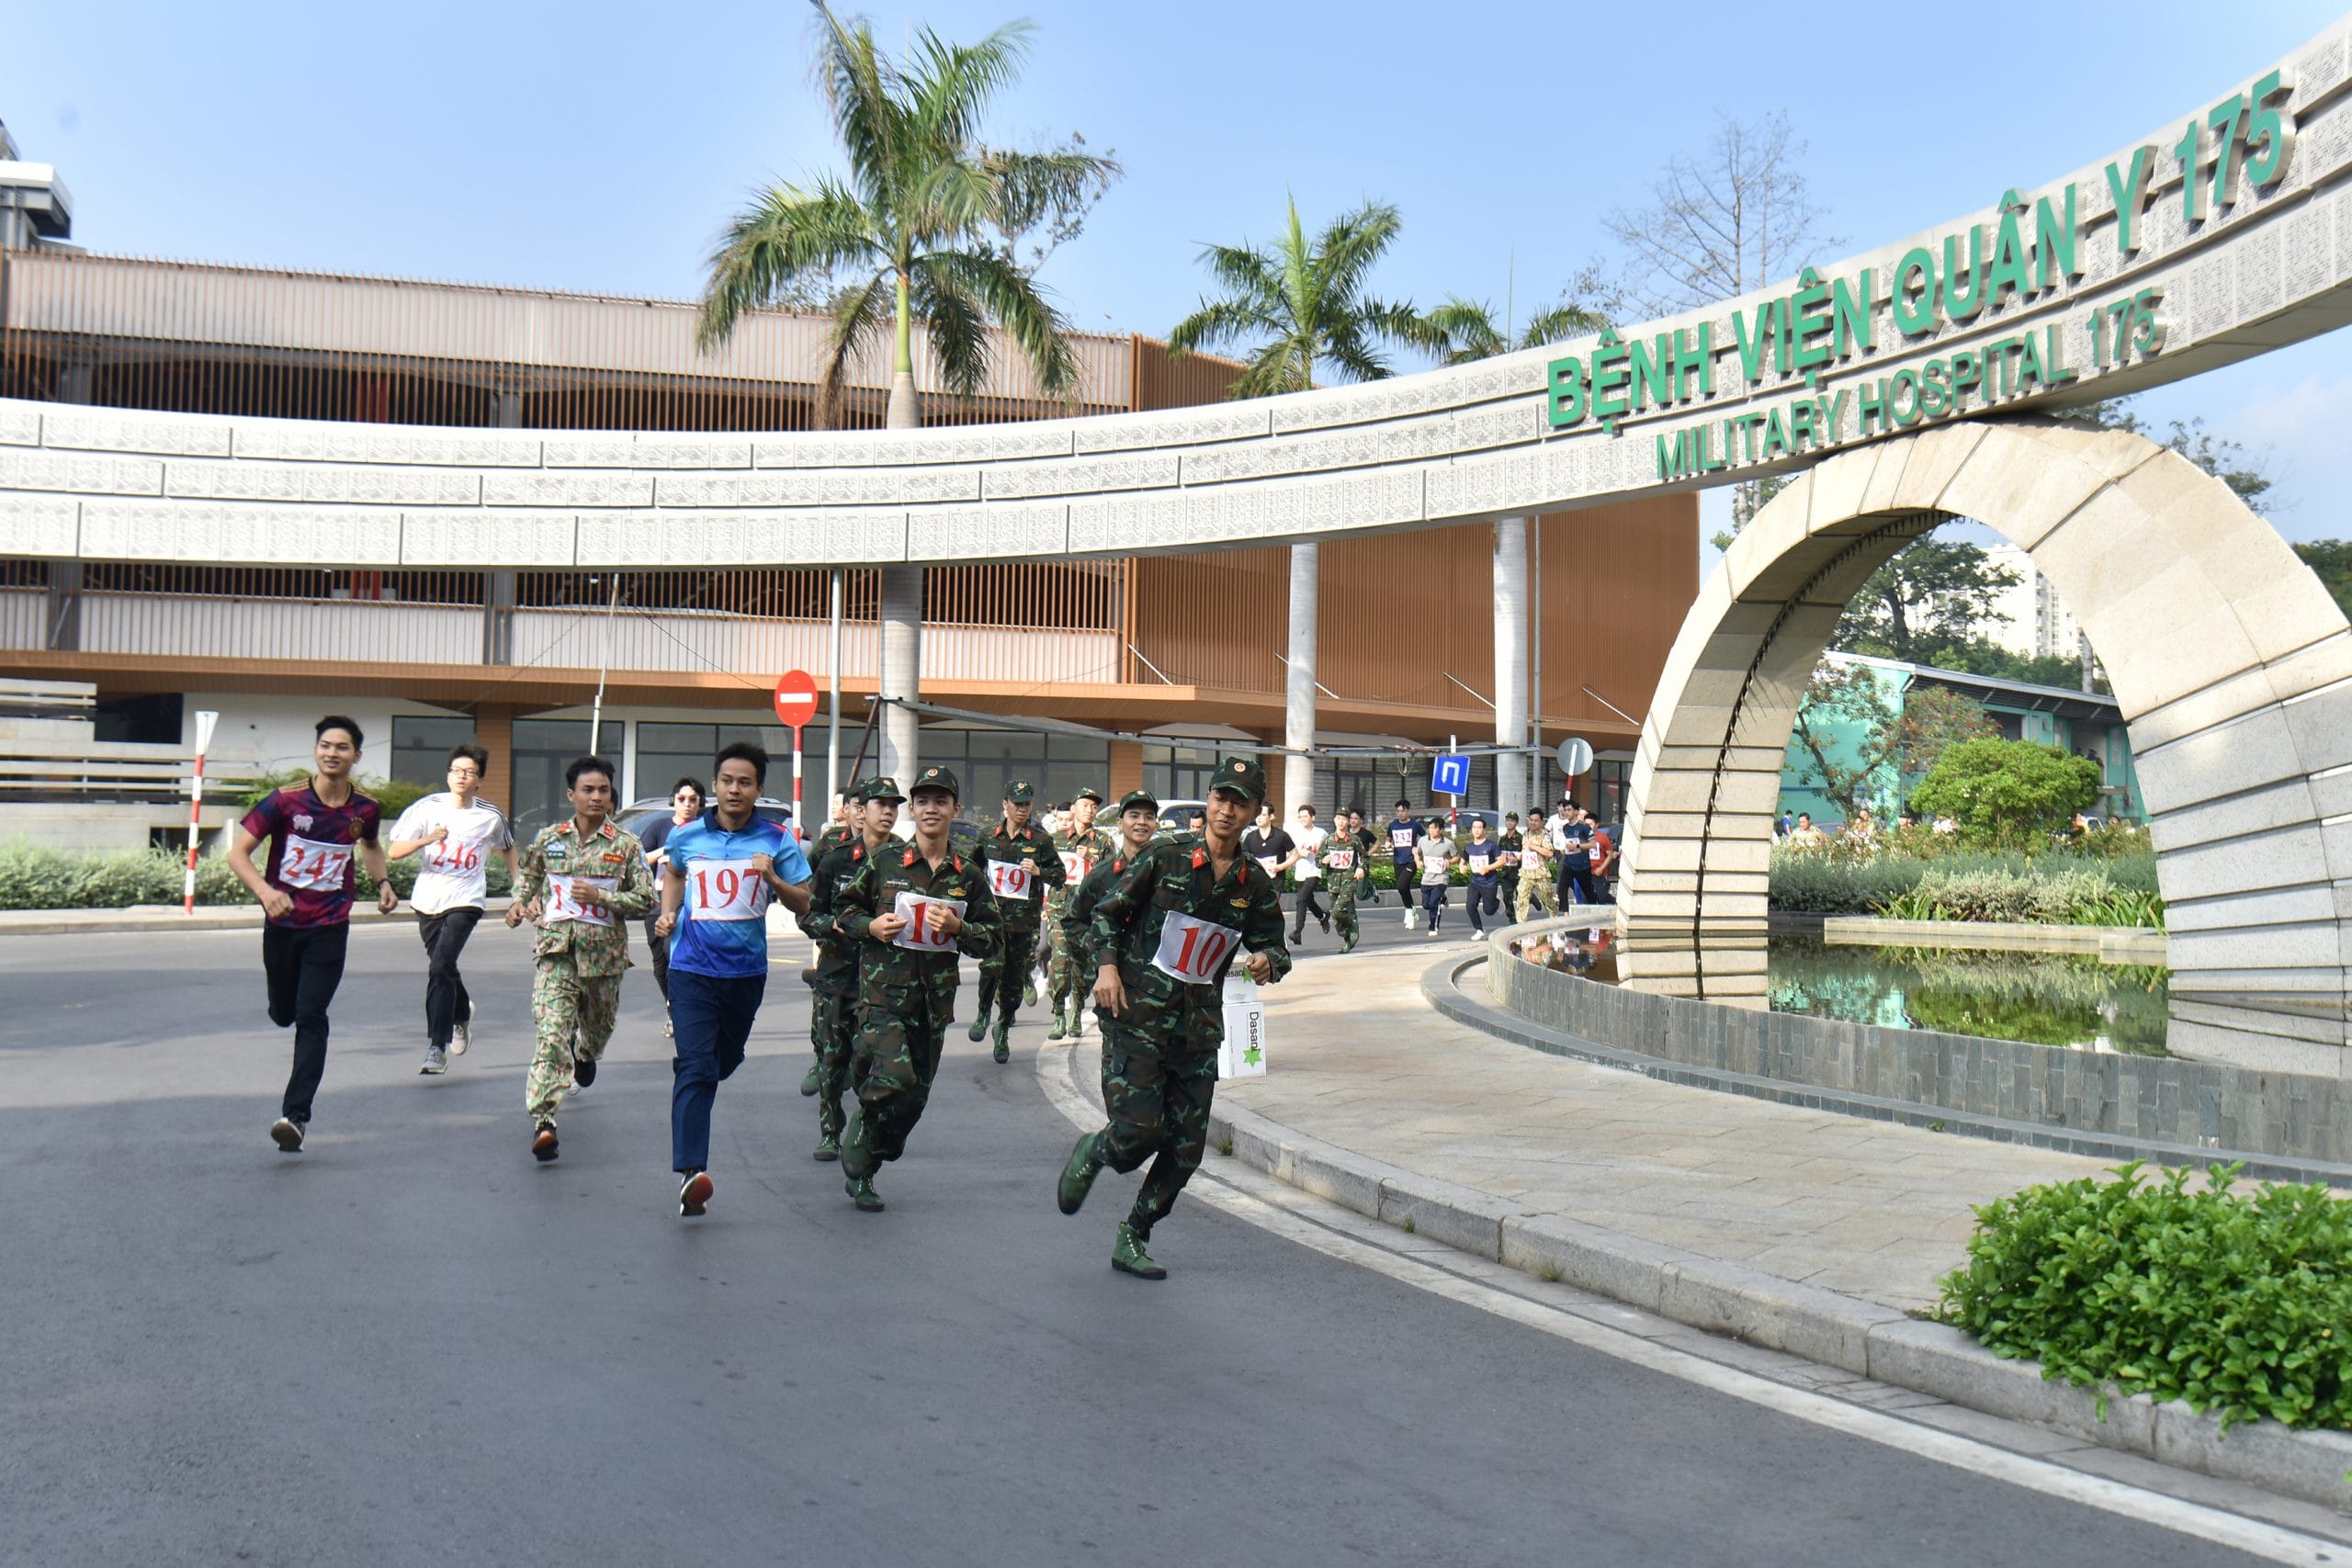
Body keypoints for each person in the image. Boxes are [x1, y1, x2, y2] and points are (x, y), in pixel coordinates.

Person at [1057, 756, 1291, 1279]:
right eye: (1219, 798)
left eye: (1239, 802)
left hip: (1198, 1028)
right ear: (1208, 802)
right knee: (1137, 1134)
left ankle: (1135, 1232)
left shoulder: (1252, 881)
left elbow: (1276, 947)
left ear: (1254, 812)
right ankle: (1097, 1150)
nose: (1226, 810)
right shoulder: (1166, 856)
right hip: (1136, 1013)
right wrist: (1108, 968)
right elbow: (1105, 913)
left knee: (1186, 1149)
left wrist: (1265, 961)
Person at [831, 764, 1001, 1211]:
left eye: (940, 801)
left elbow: (993, 938)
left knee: (911, 1105)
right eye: (922, 801)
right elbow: (843, 912)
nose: (931, 809)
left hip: (933, 1006)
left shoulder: (968, 876)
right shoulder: (885, 862)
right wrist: (872, 925)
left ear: (954, 810)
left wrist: (961, 928)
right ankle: (865, 1119)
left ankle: (870, 1165)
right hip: (884, 998)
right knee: (894, 1077)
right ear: (914, 809)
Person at [655, 741, 813, 1219]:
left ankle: (701, 1075)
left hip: (745, 973)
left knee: (723, 1060)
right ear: (716, 786)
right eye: (727, 781)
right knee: (696, 1067)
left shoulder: (776, 839)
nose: (734, 789)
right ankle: (691, 1173)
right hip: (691, 970)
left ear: (758, 789)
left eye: (745, 782)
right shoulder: (687, 836)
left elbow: (804, 901)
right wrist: (667, 914)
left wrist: (774, 881)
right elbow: (675, 875)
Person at [228, 715, 396, 1152]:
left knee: (311, 1015)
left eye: (342, 747)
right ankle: (281, 1010)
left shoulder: (365, 809)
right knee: (283, 1012)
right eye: (325, 745)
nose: (332, 753)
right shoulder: (286, 802)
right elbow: (238, 852)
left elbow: (372, 846)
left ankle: (295, 1116)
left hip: (329, 926)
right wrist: (266, 892)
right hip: (282, 925)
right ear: (316, 750)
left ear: (356, 756)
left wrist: (383, 883)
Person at [506, 755, 652, 1163]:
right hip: (557, 952)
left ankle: (586, 1055)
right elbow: (530, 878)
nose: (596, 796)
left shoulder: (625, 845)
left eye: (603, 790)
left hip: (604, 959)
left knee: (598, 1027)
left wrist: (603, 896)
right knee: (551, 1033)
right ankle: (544, 1121)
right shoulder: (549, 839)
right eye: (588, 790)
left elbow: (647, 899)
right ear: (571, 795)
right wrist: (519, 905)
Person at [385, 743, 517, 1075]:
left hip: (466, 900)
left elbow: (509, 850)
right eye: (457, 770)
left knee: (442, 964)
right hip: (428, 900)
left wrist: (520, 891)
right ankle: (461, 1014)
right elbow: (395, 851)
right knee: (441, 966)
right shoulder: (426, 808)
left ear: (479, 780)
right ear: (448, 775)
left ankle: (436, 1047)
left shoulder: (490, 815)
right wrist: (425, 840)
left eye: (469, 772)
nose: (462, 776)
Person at [796, 775, 901, 1162]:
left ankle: (865, 1130)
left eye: (894, 805)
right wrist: (834, 925)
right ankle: (829, 1130)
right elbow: (808, 915)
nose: (887, 812)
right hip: (837, 975)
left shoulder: (905, 860)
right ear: (862, 809)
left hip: (885, 982)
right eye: (880, 804)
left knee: (869, 1062)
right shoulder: (836, 858)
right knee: (831, 1056)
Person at [969, 779, 1065, 1064]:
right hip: (993, 919)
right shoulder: (987, 837)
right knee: (991, 966)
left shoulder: (1040, 841)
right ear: (1005, 805)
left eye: (1026, 804)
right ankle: (983, 1012)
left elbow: (1059, 875)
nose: (1022, 809)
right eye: (1017, 804)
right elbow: (971, 872)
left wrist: (1039, 871)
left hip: (1023, 923)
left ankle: (1003, 1026)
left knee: (1012, 980)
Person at [636, 777, 704, 1032]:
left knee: (672, 952)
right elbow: (638, 859)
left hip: (689, 904)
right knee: (659, 964)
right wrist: (666, 850)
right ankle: (671, 1004)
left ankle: (683, 1008)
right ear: (673, 801)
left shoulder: (703, 831)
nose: (687, 804)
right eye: (682, 799)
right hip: (656, 902)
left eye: (693, 800)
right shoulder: (659, 828)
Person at [1046, 786, 1114, 1042]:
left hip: (1088, 914)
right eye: (1085, 804)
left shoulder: (1104, 841)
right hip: (1059, 909)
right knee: (1060, 962)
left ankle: (1077, 1009)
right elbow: (1046, 875)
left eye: (1094, 806)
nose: (1090, 810)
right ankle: (1058, 1014)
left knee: (1082, 968)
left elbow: (1113, 875)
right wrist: (1044, 906)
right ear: (1073, 808)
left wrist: (1093, 861)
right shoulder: (1056, 840)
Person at [1241, 803, 1298, 937]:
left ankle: (1276, 939)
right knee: (1256, 913)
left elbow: (1295, 854)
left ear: (1271, 816)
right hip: (1256, 882)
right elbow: (1244, 858)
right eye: (1257, 815)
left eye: (1263, 815)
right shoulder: (1250, 837)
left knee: (1270, 911)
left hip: (1275, 882)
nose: (1259, 818)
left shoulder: (1281, 836)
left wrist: (1280, 867)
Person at [1320, 813, 1366, 952]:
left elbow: (1365, 856)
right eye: (1338, 819)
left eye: (1344, 819)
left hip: (1349, 880)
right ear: (1334, 820)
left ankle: (1352, 928)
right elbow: (1318, 858)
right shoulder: (1328, 840)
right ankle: (1347, 936)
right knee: (1338, 916)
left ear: (1348, 822)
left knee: (1337, 911)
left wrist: (1360, 868)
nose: (1341, 822)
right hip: (1332, 882)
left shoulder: (1354, 840)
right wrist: (1323, 860)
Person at [1288, 803, 1330, 942]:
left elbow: (1329, 850)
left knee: (1301, 899)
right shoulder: (1295, 833)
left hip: (1314, 870)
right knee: (1309, 901)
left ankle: (1298, 931)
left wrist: (1323, 856)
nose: (1302, 819)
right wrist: (1299, 853)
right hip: (1300, 871)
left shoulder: (1321, 833)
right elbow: (1289, 853)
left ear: (1313, 817)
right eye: (1300, 817)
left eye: (1305, 816)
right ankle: (1323, 916)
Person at [1514, 817, 1560, 922]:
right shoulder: (1525, 834)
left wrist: (1533, 846)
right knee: (1522, 899)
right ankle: (1521, 927)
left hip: (1540, 874)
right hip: (1526, 873)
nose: (1532, 823)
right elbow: (1526, 851)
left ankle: (1555, 921)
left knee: (1547, 900)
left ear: (1541, 822)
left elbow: (1550, 853)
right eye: (1531, 820)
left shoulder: (1544, 836)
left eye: (1536, 821)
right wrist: (1519, 856)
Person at [1461, 817, 1501, 936]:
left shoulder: (1491, 845)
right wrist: (1462, 868)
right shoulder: (1469, 847)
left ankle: (1497, 902)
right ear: (1471, 830)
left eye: (1479, 827)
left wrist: (1488, 868)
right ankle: (1479, 929)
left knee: (1488, 911)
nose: (1476, 830)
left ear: (1484, 830)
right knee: (1470, 906)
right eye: (1474, 827)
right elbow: (1462, 861)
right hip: (1475, 881)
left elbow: (1502, 860)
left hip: (1489, 881)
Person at [1416, 818, 1456, 933]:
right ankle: (1443, 897)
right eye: (1430, 828)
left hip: (1441, 878)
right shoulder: (1423, 841)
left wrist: (1450, 862)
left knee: (1434, 904)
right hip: (1427, 878)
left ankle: (1433, 927)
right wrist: (1418, 861)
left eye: (1435, 828)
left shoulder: (1448, 843)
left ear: (1441, 829)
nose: (1432, 830)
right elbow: (1416, 852)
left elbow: (1456, 856)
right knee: (1426, 905)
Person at [1386, 801, 1420, 922]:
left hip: (1411, 860)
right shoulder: (1393, 825)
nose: (1400, 814)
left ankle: (1408, 911)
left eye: (1402, 811)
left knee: (1401, 885)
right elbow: (1388, 838)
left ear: (1408, 812)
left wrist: (1418, 849)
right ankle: (1412, 909)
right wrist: (1388, 843)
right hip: (1397, 860)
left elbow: (1425, 837)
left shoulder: (1415, 825)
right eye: (1398, 811)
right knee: (1403, 888)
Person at [1496, 812, 1523, 918]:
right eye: (1508, 820)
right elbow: (1499, 854)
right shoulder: (1502, 839)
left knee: (1521, 898)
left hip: (1518, 873)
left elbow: (1525, 855)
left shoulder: (1521, 838)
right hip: (1506, 874)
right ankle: (1512, 920)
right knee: (1507, 897)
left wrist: (1517, 857)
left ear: (1516, 823)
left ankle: (1531, 900)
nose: (1509, 823)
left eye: (1512, 821)